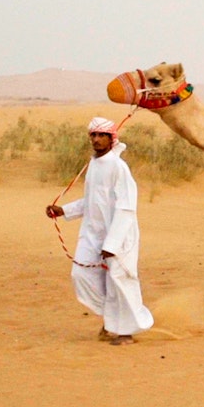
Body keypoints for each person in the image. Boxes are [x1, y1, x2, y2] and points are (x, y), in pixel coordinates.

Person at [46, 117, 153, 346]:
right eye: (93, 135)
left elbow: (126, 207)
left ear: (111, 138)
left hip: (118, 235)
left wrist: (112, 244)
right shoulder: (93, 164)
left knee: (119, 280)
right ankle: (112, 320)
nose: (96, 140)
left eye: (101, 135)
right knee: (81, 276)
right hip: (92, 233)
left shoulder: (118, 167)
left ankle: (126, 332)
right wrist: (63, 210)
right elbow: (92, 200)